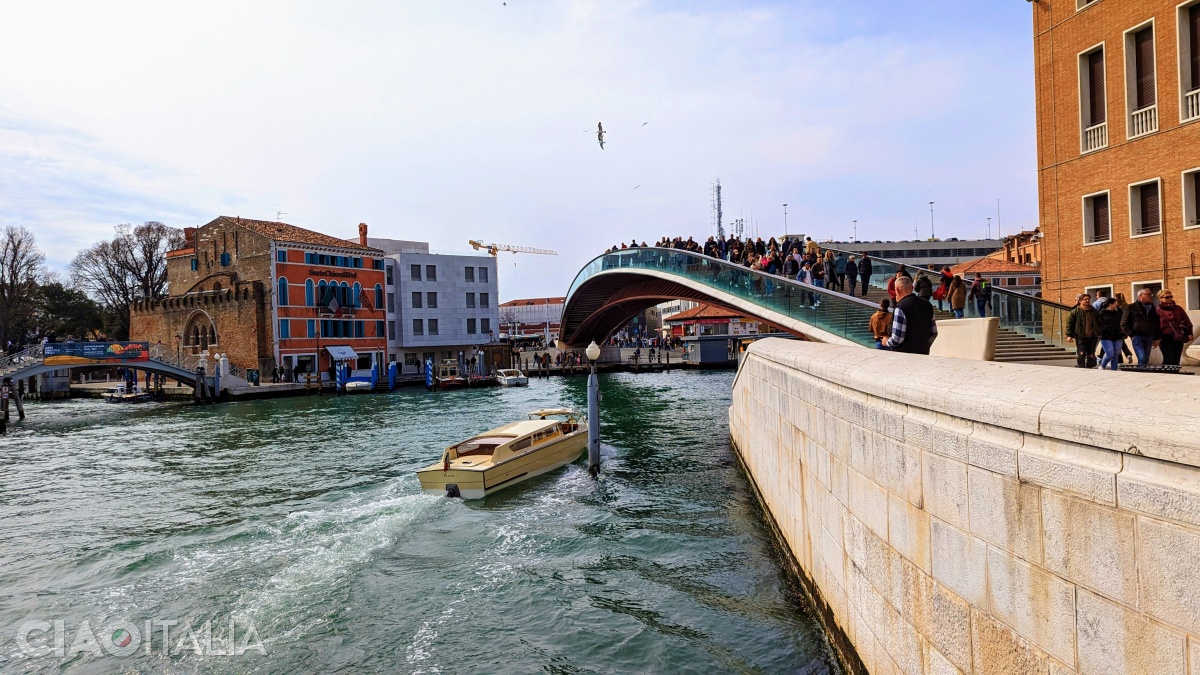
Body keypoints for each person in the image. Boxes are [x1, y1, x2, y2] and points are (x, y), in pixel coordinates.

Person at [886, 276, 938, 354]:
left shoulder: (900, 308)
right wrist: (925, 346)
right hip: (923, 353)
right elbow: (934, 332)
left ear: (897, 290)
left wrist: (887, 342)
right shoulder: (927, 304)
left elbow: (898, 338)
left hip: (903, 355)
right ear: (912, 287)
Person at [1121, 288, 1162, 367]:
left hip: (1149, 336)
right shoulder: (1131, 307)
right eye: (1148, 294)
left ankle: (1143, 374)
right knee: (1142, 358)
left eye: (1151, 294)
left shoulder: (1152, 308)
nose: (1150, 296)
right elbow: (1124, 324)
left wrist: (1158, 337)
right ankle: (1141, 372)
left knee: (1146, 359)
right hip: (1137, 337)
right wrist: (1132, 335)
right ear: (1140, 296)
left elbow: (1156, 323)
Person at [1156, 289, 1194, 366]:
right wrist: (1156, 337)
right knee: (1168, 358)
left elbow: (1186, 321)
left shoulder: (1178, 308)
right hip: (1164, 338)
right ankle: (1167, 375)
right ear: (1161, 298)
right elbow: (1155, 325)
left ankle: (1175, 374)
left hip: (1178, 337)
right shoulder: (1157, 310)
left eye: (1171, 297)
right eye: (1167, 297)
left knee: (1176, 359)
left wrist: (1189, 333)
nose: (1170, 298)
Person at [1066, 293, 1100, 369]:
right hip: (1081, 336)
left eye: (1088, 299)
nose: (1088, 300)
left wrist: (1099, 332)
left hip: (1092, 336)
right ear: (1080, 301)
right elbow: (1069, 324)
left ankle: (1090, 367)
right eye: (1085, 299)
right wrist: (1069, 335)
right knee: (1081, 353)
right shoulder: (1075, 312)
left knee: (1091, 354)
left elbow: (1099, 322)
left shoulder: (1094, 311)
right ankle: (1081, 367)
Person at [1097, 298, 1124, 371]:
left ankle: (1114, 370)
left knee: (1116, 355)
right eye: (1115, 303)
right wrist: (1101, 332)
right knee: (1110, 354)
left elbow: (1122, 323)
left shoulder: (1118, 313)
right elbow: (1098, 324)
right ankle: (1102, 365)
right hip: (1106, 336)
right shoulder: (1101, 313)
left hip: (1118, 335)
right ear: (1110, 304)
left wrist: (1122, 332)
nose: (1117, 305)